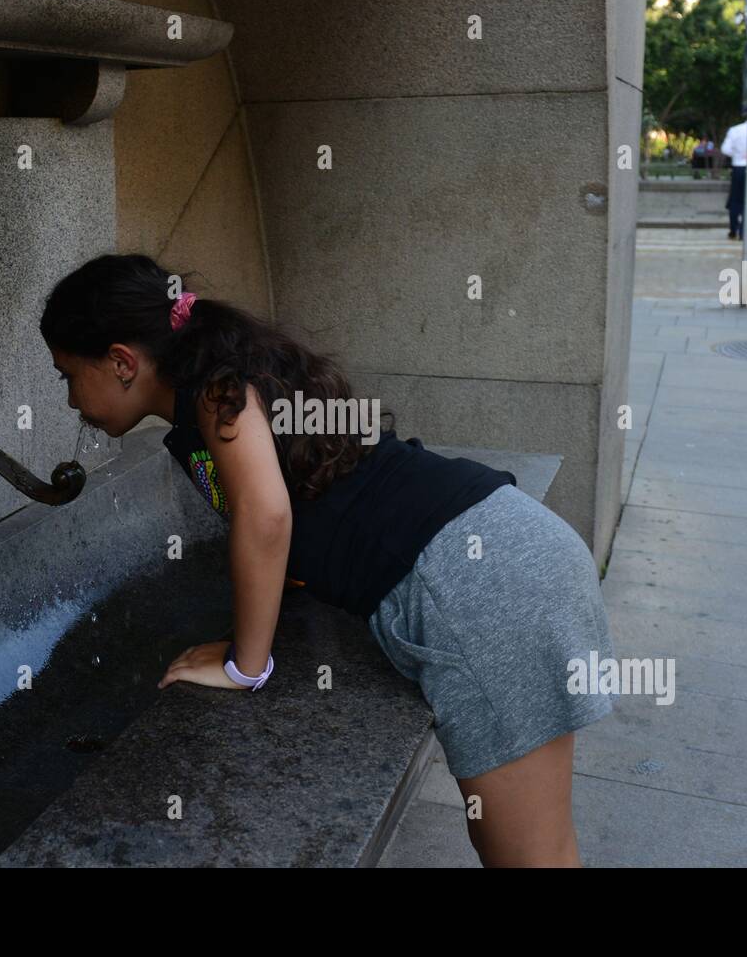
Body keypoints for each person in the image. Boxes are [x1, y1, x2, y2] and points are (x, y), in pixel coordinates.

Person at [39, 254, 617, 867]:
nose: (72, 400)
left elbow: (266, 517)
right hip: (506, 552)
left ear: (122, 361)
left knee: (529, 855)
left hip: (482, 591)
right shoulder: (221, 379)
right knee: (532, 844)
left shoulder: (216, 392)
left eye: (67, 375)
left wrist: (245, 665)